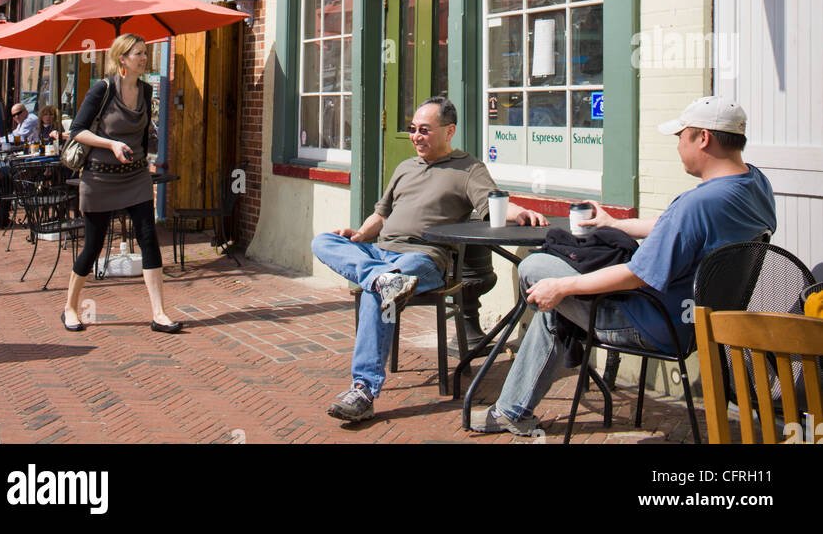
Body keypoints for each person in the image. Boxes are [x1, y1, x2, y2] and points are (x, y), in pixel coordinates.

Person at [470, 96, 777, 436]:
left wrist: (564, 287)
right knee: (558, 305)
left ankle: (512, 410)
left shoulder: (698, 203)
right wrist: (615, 225)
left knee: (538, 269)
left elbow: (635, 276)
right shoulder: (755, 185)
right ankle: (512, 410)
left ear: (702, 138)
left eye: (681, 136)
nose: (677, 146)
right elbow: (678, 227)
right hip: (701, 324)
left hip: (653, 325)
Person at [312, 96, 545, 423]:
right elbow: (381, 214)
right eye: (412, 129)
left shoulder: (468, 168)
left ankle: (363, 389)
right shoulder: (405, 167)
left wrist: (521, 213)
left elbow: (493, 205)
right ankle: (379, 278)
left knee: (379, 288)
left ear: (449, 131)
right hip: (380, 253)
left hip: (423, 259)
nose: (416, 136)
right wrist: (359, 236)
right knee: (323, 241)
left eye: (424, 130)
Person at [62, 34, 183, 335]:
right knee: (92, 247)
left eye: (145, 53)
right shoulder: (101, 89)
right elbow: (77, 130)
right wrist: (111, 144)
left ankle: (159, 313)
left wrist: (148, 159)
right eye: (137, 53)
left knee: (149, 240)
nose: (144, 58)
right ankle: (71, 307)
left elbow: (142, 134)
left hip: (136, 177)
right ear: (121, 59)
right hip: (100, 177)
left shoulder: (145, 89)